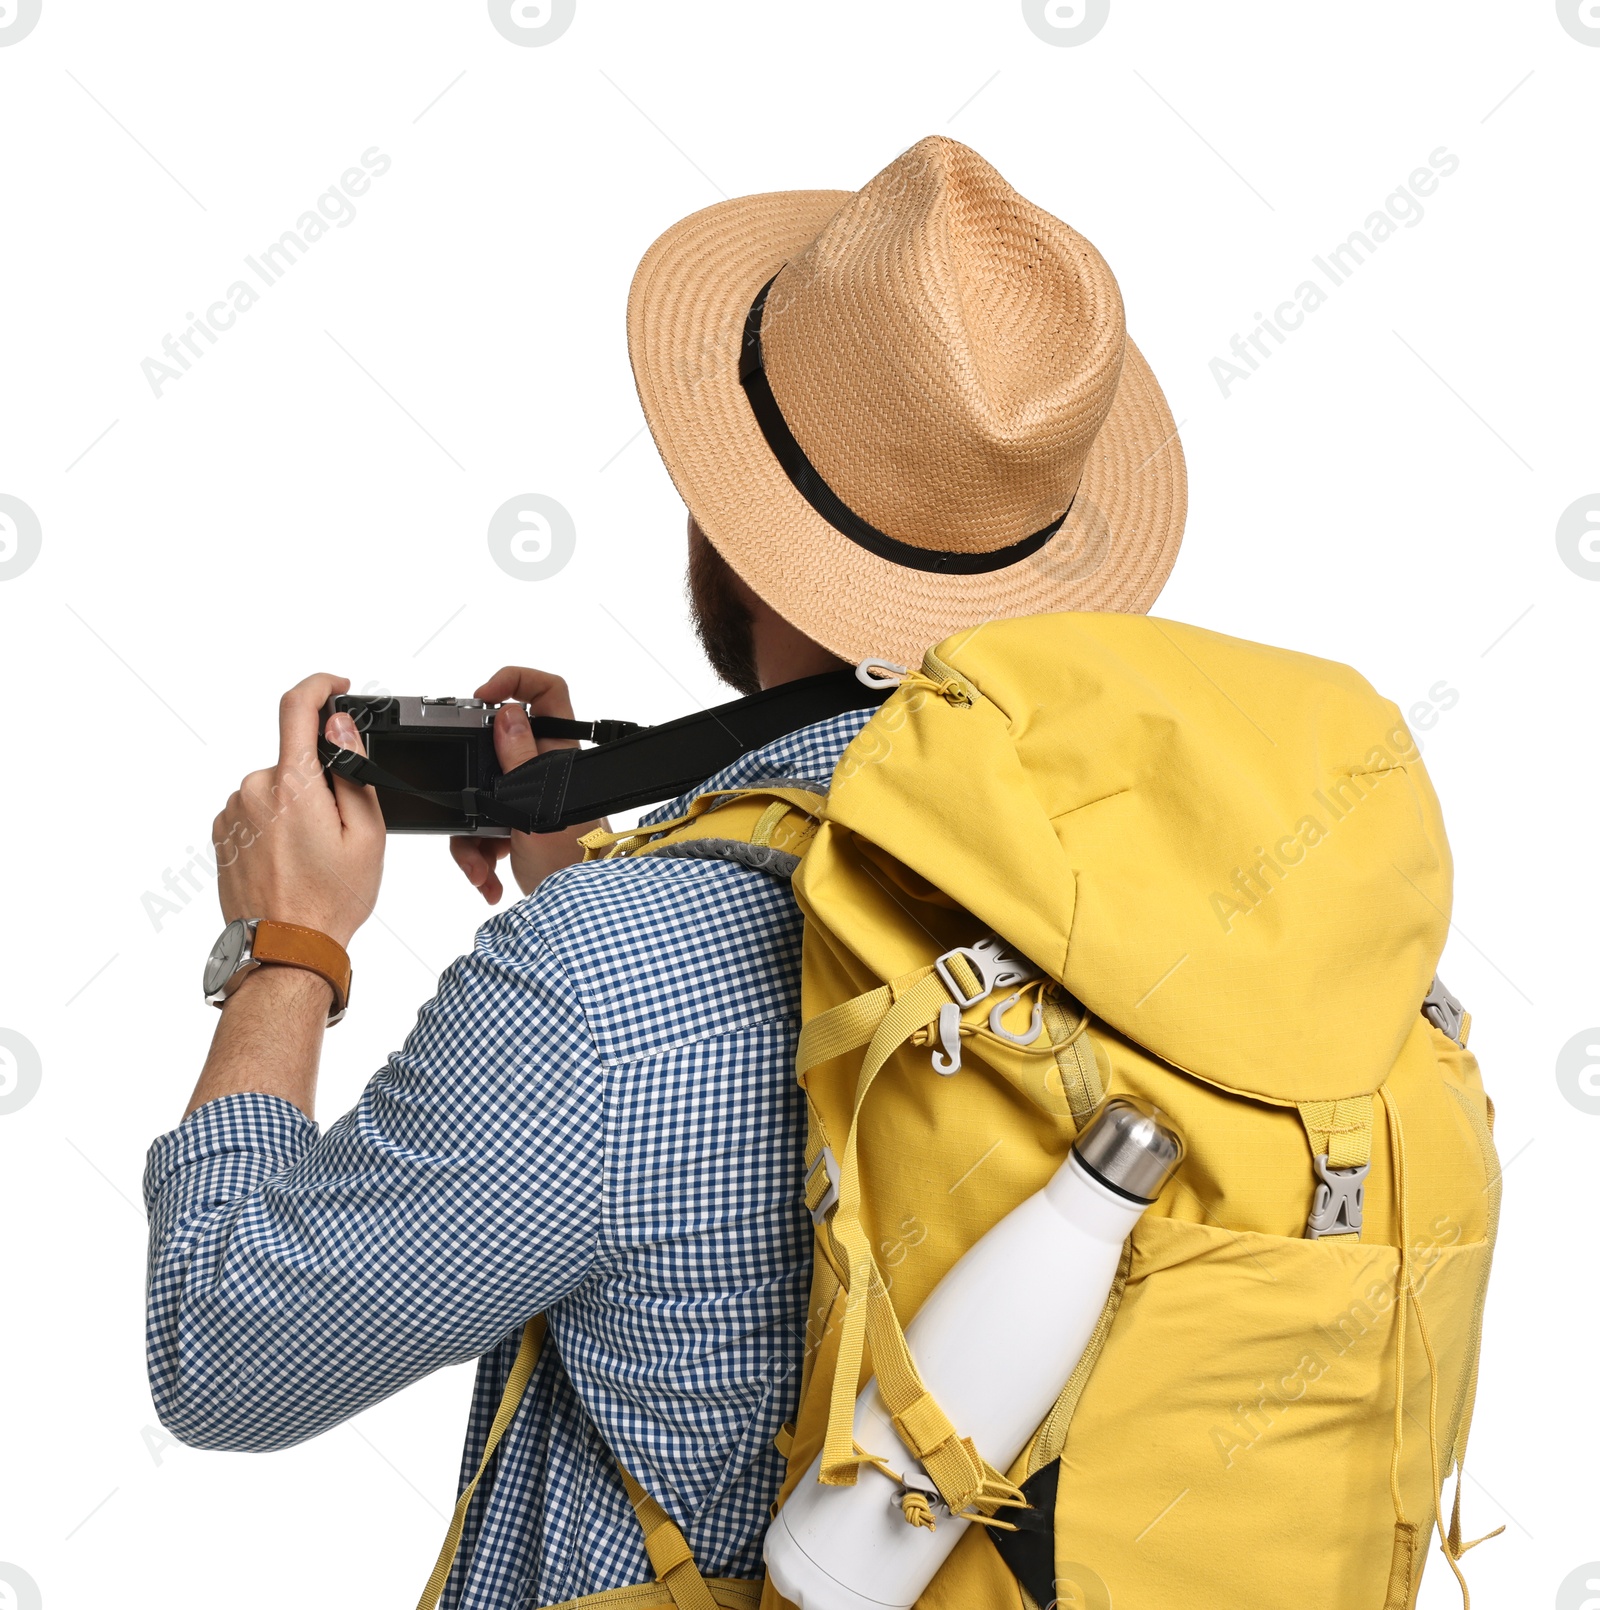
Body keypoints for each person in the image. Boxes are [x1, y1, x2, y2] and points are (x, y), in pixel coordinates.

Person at [143, 134, 1186, 1608]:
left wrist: (288, 946)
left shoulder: (596, 993)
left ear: (729, 520)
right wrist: (598, 872)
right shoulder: (1226, 898)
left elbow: (223, 1350)